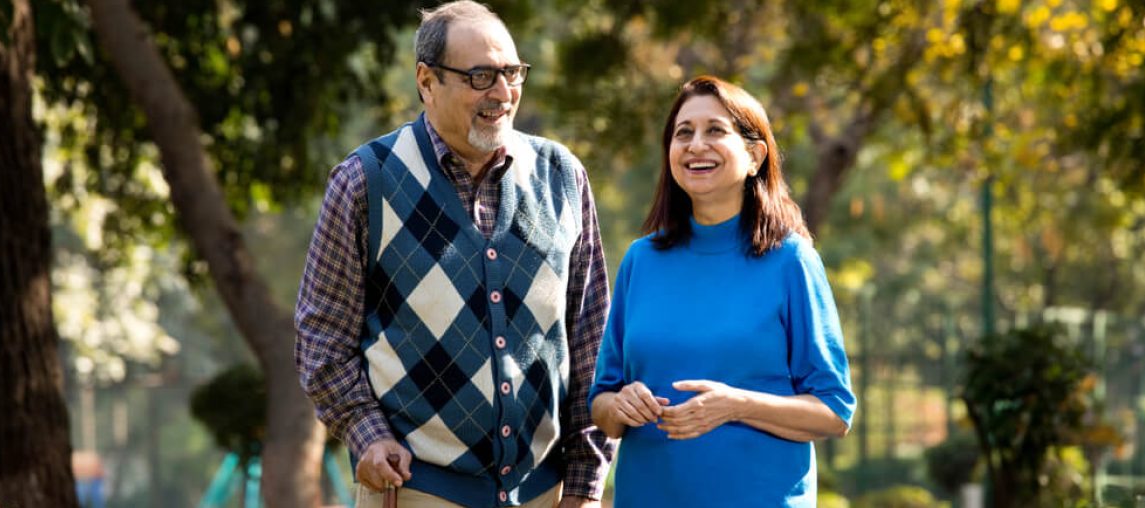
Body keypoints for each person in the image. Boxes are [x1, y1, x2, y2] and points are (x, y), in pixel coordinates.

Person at [294, 2, 612, 507]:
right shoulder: (363, 182)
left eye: (512, 73)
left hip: (545, 494)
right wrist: (367, 433)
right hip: (414, 490)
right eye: (480, 76)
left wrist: (585, 483)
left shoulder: (563, 176)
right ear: (426, 80)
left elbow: (593, 341)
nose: (503, 94)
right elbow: (322, 340)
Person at [588, 76, 857, 507]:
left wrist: (737, 405)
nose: (696, 145)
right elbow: (601, 402)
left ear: (754, 155)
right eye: (683, 133)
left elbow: (834, 412)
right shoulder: (641, 260)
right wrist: (620, 403)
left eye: (715, 130)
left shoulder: (791, 260)